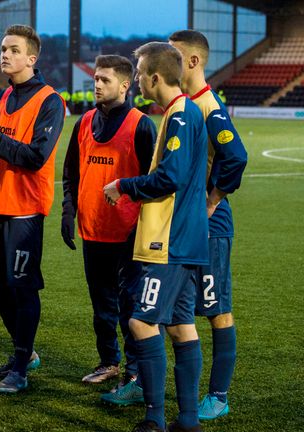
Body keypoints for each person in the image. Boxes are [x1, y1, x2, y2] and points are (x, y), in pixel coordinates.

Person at [103, 42, 209, 432]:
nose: (138, 78)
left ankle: (154, 418)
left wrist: (124, 185)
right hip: (186, 239)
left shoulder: (180, 115)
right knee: (181, 326)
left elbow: (171, 178)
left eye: (140, 70)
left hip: (171, 240)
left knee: (141, 322)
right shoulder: (182, 113)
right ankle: (187, 420)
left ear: (154, 77)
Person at [0, 24, 65, 393]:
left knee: (21, 288)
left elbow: (36, 157)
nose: (4, 54)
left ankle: (21, 367)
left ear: (31, 58)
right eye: (3, 48)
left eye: (12, 49)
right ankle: (24, 352)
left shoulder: (50, 101)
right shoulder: (2, 97)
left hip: (24, 208)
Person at [62, 55, 156, 401]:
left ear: (125, 85)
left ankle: (133, 370)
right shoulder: (84, 122)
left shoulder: (141, 125)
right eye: (96, 79)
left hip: (129, 232)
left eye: (104, 80)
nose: (97, 84)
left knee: (129, 306)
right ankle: (108, 361)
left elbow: (154, 181)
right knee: (101, 303)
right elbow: (71, 173)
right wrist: (68, 212)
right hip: (92, 228)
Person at [169, 29, 248, 422]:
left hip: (210, 227)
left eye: (173, 55)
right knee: (173, 309)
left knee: (217, 309)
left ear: (193, 62)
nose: (167, 61)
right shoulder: (184, 103)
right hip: (184, 224)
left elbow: (236, 155)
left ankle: (218, 395)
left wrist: (212, 200)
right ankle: (138, 376)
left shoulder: (207, 106)